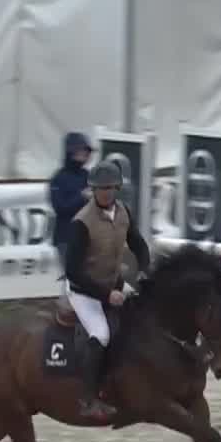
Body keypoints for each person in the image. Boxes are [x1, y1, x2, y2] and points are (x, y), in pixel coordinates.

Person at [60, 161, 152, 420]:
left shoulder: (123, 212)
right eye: (101, 188)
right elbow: (73, 271)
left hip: (114, 283)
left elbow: (139, 244)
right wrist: (106, 295)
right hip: (84, 290)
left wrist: (144, 269)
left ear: (117, 188)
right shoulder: (82, 222)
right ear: (93, 190)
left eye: (111, 188)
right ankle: (88, 399)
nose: (106, 193)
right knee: (100, 335)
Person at [47, 132, 93, 256]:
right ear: (71, 151)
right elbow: (60, 207)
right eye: (81, 150)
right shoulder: (59, 178)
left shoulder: (88, 175)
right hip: (66, 239)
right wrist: (82, 196)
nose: (85, 154)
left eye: (87, 151)